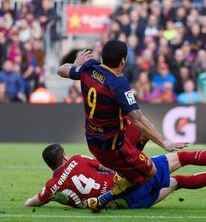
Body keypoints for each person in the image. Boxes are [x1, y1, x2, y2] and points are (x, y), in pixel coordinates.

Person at [57, 42, 188, 212]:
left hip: (92, 140)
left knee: (143, 135)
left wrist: (76, 65)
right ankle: (106, 198)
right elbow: (139, 119)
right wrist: (165, 143)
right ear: (123, 61)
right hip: (112, 147)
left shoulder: (88, 68)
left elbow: (61, 70)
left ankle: (129, 167)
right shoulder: (118, 84)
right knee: (150, 172)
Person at [25, 140, 206, 208]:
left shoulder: (51, 188)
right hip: (128, 182)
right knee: (180, 159)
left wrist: (48, 196)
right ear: (64, 156)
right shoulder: (76, 160)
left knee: (176, 183)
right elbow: (105, 167)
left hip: (125, 204)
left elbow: (32, 202)